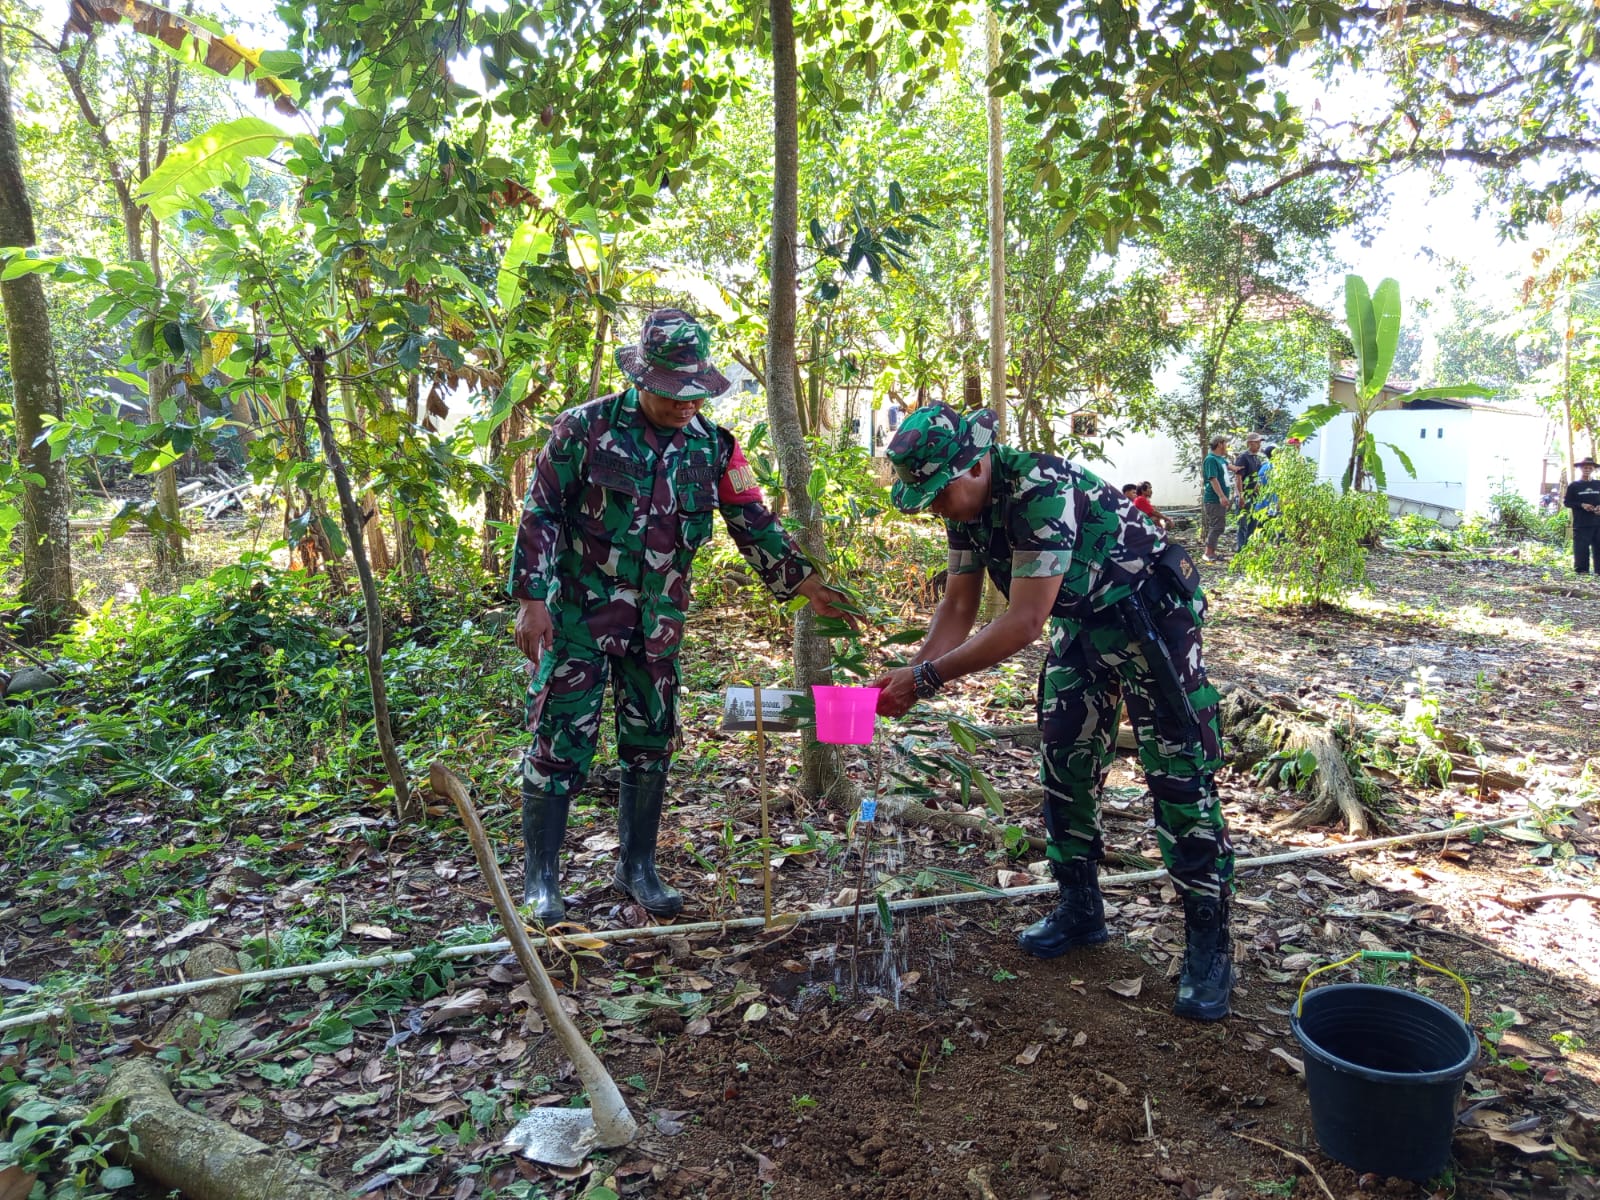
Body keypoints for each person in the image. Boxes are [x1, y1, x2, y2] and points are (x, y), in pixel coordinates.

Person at [870, 403, 1235, 1021]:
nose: (935, 506)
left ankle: (1209, 939)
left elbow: (1024, 620)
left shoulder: (1039, 488)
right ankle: (1079, 907)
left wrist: (927, 677)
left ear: (977, 464)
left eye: (939, 491)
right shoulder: (965, 506)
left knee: (1178, 776)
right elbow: (958, 606)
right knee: (1064, 759)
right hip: (1086, 623)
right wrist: (909, 678)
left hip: (1151, 618)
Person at [509, 309, 856, 922]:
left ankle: (637, 867)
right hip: (578, 623)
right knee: (559, 744)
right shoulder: (582, 430)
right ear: (642, 376)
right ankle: (543, 882)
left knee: (650, 744)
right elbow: (540, 513)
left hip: (658, 629)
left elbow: (753, 521)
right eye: (671, 391)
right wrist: (532, 600)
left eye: (693, 391)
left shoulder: (714, 448)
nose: (683, 403)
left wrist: (807, 584)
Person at [1564, 457, 1600, 574]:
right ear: (1580, 468)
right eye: (1585, 467)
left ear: (1594, 469)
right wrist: (1582, 505)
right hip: (1581, 523)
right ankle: (1582, 572)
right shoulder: (1574, 486)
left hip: (1598, 523)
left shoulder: (1598, 484)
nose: (1587, 469)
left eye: (1590, 467)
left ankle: (1598, 572)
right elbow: (1567, 502)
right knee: (1581, 549)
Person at [1231, 433, 1265, 550]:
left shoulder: (1256, 458)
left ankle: (1247, 547)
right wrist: (1240, 496)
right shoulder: (1243, 458)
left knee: (1253, 523)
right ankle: (1241, 548)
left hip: (1254, 495)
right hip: (1244, 494)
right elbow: (1238, 478)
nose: (1259, 445)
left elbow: (1257, 478)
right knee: (1242, 524)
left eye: (1260, 442)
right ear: (1250, 443)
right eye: (1257, 442)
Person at [1201, 435, 1232, 563]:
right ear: (1220, 444)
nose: (1227, 446)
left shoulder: (1220, 459)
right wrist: (1221, 496)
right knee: (1217, 526)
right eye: (1225, 443)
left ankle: (1212, 551)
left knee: (1219, 525)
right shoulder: (1211, 460)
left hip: (1219, 499)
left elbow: (1231, 467)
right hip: (1214, 499)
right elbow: (1213, 479)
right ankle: (1208, 553)